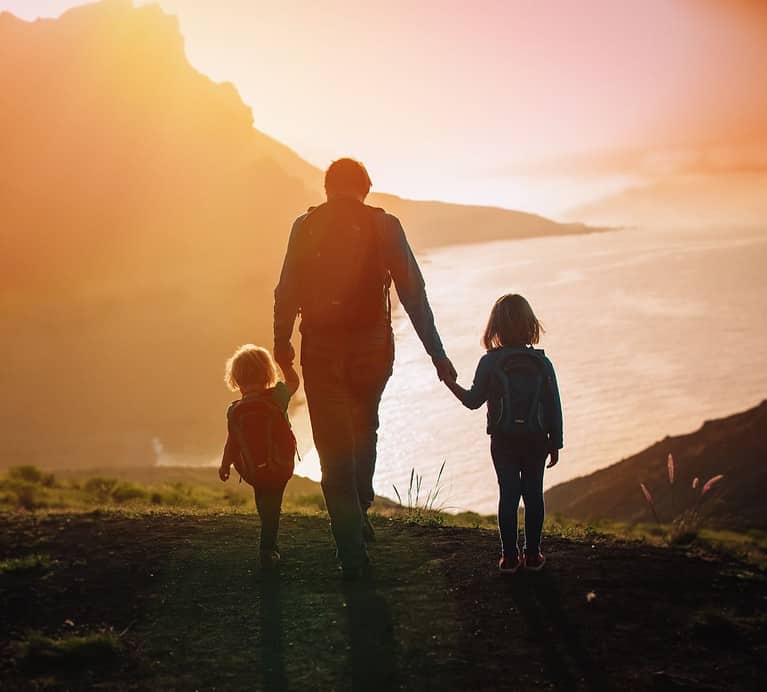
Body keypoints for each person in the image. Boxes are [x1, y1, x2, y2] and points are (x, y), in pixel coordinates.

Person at [273, 158, 456, 578]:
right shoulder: (383, 225)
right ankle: (362, 511)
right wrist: (437, 354)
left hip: (319, 350)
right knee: (365, 426)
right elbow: (413, 290)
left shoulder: (305, 226)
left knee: (332, 445)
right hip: (372, 350)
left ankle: (351, 548)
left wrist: (282, 343)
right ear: (366, 188)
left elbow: (287, 289)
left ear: (326, 189)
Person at [443, 294, 563, 573]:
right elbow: (553, 405)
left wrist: (450, 383)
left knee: (508, 495)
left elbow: (473, 401)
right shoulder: (542, 363)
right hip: (536, 439)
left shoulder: (490, 362)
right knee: (534, 495)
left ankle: (509, 558)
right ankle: (533, 556)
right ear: (530, 324)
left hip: (503, 439)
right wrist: (555, 442)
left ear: (494, 327)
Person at [219, 344, 300, 568]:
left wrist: (225, 464)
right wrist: (287, 364)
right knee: (273, 503)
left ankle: (269, 539)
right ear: (267, 373)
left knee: (263, 500)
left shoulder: (234, 409)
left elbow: (232, 441)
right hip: (280, 464)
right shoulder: (277, 397)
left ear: (235, 378)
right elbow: (294, 383)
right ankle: (267, 549)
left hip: (252, 469)